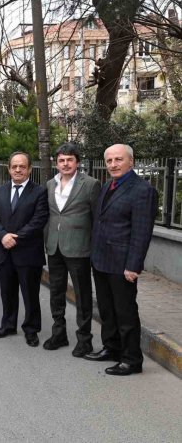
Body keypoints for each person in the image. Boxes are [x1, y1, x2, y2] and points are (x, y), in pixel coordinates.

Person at [86, 144, 157, 376]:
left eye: (118, 159)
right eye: (109, 161)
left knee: (125, 313)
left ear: (131, 161)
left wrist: (133, 266)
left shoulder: (142, 190)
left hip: (122, 265)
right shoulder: (108, 185)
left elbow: (141, 232)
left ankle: (131, 359)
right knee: (107, 310)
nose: (113, 164)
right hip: (101, 260)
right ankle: (112, 348)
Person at [43, 143, 101, 356]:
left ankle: (84, 340)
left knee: (82, 295)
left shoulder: (91, 184)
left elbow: (97, 219)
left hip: (79, 248)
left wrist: (94, 248)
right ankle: (59, 333)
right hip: (54, 247)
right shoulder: (50, 184)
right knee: (56, 292)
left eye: (69, 160)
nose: (65, 164)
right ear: (56, 163)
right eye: (61, 160)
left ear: (77, 162)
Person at [0, 151, 48, 347]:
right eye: (14, 166)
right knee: (7, 292)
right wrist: (3, 236)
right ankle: (8, 325)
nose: (18, 169)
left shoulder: (39, 192)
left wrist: (15, 238)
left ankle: (31, 329)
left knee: (30, 295)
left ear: (29, 169)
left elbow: (38, 220)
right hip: (4, 252)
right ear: (9, 169)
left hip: (28, 253)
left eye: (22, 166)